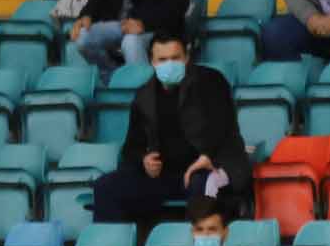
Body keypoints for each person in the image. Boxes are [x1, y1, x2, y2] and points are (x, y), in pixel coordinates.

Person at [91, 30, 250, 228]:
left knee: (203, 184)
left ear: (187, 58)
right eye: (163, 59)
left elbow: (224, 129)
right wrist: (144, 161)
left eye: (175, 58)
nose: (170, 64)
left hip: (207, 167)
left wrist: (207, 156)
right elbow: (132, 148)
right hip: (164, 175)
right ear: (152, 62)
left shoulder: (211, 81)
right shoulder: (144, 96)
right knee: (106, 187)